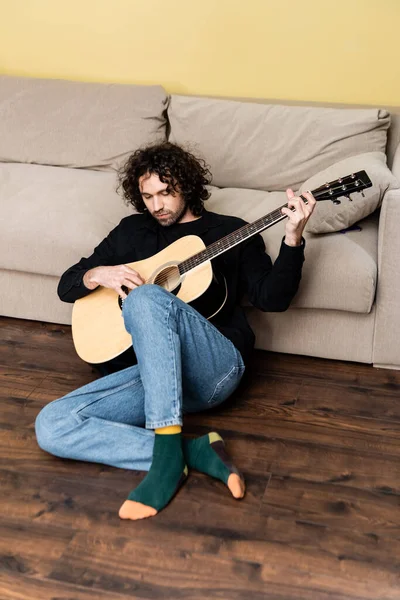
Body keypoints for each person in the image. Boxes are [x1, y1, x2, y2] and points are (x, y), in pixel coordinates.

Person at [35, 142, 316, 521]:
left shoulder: (231, 231)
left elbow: (272, 298)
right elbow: (67, 285)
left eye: (166, 192)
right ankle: (192, 451)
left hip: (211, 370)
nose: (157, 205)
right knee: (51, 425)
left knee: (147, 297)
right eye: (148, 195)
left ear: (188, 185)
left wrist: (293, 237)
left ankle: (165, 465)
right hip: (151, 378)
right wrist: (97, 274)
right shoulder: (131, 232)